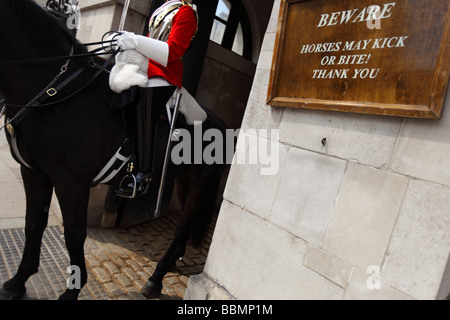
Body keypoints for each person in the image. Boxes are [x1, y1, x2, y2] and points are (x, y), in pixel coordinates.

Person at [113, 0, 199, 198]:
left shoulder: (186, 13)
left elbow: (172, 52)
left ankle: (143, 174)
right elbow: (152, 41)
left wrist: (135, 41)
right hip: (146, 65)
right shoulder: (164, 9)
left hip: (165, 73)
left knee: (145, 102)